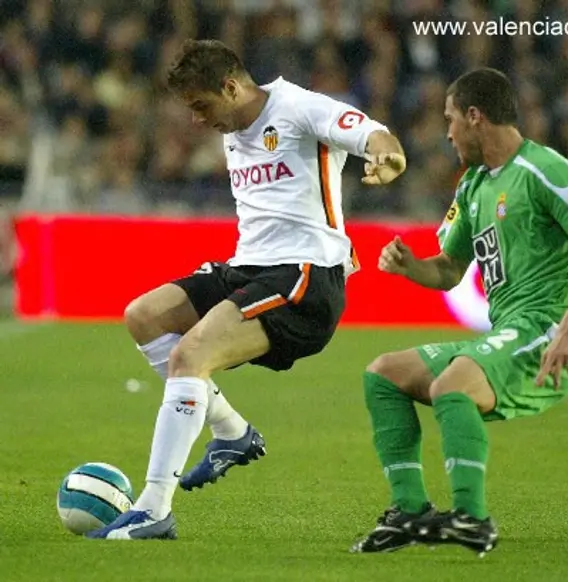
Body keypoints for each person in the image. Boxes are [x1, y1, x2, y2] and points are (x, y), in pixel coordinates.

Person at [87, 39, 406, 540]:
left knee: (190, 356)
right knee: (143, 316)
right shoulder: (235, 124)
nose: (196, 120)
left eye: (200, 106)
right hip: (248, 269)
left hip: (304, 277)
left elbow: (371, 133)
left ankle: (153, 509)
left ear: (231, 86)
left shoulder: (299, 107)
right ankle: (232, 432)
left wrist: (388, 158)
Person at [351, 68, 568, 556]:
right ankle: (411, 511)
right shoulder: (473, 185)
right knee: (384, 374)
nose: (448, 132)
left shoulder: (546, 171)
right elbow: (450, 270)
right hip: (510, 331)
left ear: (475, 117)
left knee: (452, 384)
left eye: (451, 119)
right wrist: (411, 268)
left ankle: (471, 519)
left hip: (551, 330)